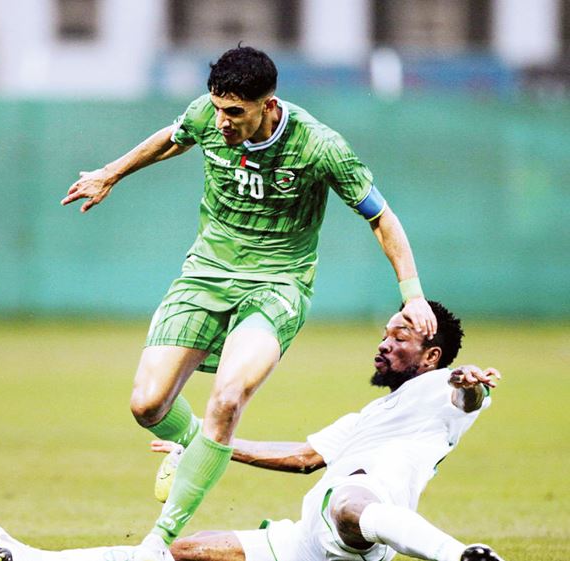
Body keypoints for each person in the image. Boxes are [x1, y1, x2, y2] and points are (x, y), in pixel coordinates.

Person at [61, 46, 438, 558]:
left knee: (227, 398)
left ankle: (158, 541)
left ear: (269, 105)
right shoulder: (206, 115)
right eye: (218, 108)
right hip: (205, 274)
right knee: (147, 405)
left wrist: (412, 295)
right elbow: (175, 137)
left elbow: (381, 217)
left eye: (235, 112)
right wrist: (111, 172)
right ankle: (195, 444)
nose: (222, 121)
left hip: (278, 285)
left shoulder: (320, 147)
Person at [0, 301, 505, 561]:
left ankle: (461, 557)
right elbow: (302, 456)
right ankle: (30, 559)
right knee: (180, 553)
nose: (385, 342)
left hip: (354, 529)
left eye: (401, 335)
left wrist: (468, 383)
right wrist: (203, 440)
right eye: (385, 332)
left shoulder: (441, 392)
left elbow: (467, 397)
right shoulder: (371, 416)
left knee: (349, 502)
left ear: (431, 356)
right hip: (305, 540)